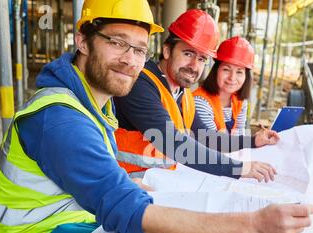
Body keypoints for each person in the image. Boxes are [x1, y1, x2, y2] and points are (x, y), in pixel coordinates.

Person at [0, 0, 313, 233]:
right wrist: (253, 225)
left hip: (76, 217)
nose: (129, 59)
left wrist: (249, 142)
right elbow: (172, 150)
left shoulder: (99, 104)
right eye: (117, 42)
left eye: (139, 49)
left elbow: (201, 140)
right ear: (83, 41)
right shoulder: (63, 118)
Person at [114, 9, 279, 184]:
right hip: (125, 186)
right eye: (188, 54)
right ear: (167, 51)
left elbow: (207, 137)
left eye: (202, 59)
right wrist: (240, 168)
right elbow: (173, 142)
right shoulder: (139, 84)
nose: (194, 66)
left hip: (158, 183)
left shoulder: (183, 94)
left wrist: (253, 140)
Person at [194, 36, 274, 137]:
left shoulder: (240, 101)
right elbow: (215, 143)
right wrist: (254, 141)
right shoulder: (201, 102)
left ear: (246, 76)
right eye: (226, 69)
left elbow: (239, 136)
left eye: (239, 72)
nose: (232, 77)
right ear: (216, 70)